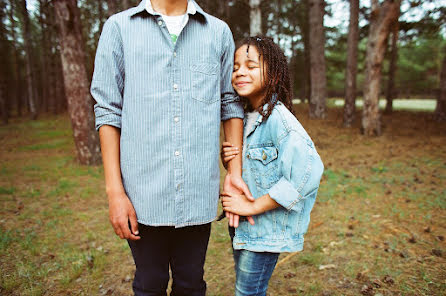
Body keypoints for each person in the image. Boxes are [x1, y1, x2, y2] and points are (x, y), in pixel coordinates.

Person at [90, 1, 252, 295]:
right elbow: (108, 111)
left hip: (197, 191)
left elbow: (231, 104)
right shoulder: (119, 28)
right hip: (142, 196)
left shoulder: (218, 32)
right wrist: (115, 192)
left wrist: (235, 172)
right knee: (149, 284)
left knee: (191, 284)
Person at [220, 36, 324, 296]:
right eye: (235, 67)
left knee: (248, 292)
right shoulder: (244, 117)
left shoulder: (280, 121)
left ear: (275, 74)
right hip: (243, 226)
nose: (240, 72)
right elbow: (259, 168)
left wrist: (254, 205)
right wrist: (230, 161)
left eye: (251, 66)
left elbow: (309, 171)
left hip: (265, 230)